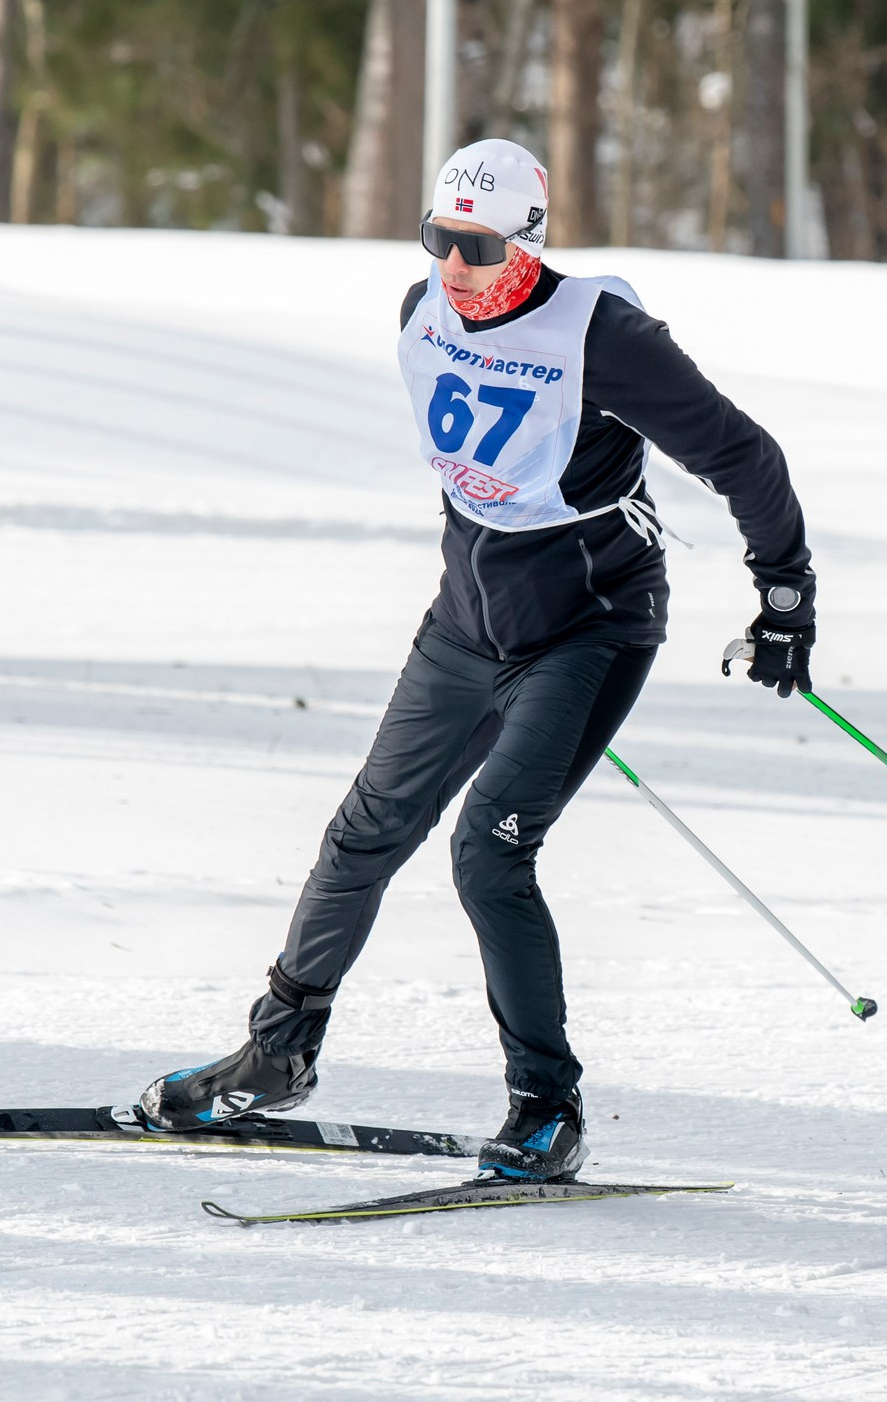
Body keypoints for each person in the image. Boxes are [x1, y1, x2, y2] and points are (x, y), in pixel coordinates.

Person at [139, 139, 817, 1181]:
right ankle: (275, 1054)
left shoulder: (608, 338)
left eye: (480, 245)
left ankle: (547, 1108)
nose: (454, 266)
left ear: (530, 241)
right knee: (363, 834)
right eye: (439, 238)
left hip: (586, 629)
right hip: (464, 627)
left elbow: (745, 456)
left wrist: (782, 597)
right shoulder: (419, 304)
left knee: (488, 854)